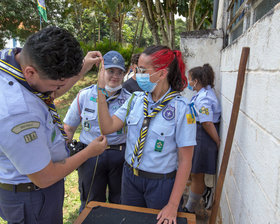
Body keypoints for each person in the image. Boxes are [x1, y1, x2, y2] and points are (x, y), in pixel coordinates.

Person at [0, 26, 107, 224]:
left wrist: (82, 67)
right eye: (56, 85)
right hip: (33, 196)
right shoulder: (17, 114)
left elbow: (46, 92)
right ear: (31, 72)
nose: (57, 92)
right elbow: (45, 177)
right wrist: (88, 152)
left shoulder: (14, 61)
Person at [97, 45, 197, 224]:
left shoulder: (182, 109)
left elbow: (185, 160)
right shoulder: (135, 100)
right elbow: (107, 127)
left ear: (161, 73)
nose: (137, 75)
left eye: (143, 70)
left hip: (161, 185)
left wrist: (173, 204)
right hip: (130, 178)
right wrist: (100, 91)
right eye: (136, 69)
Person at [63, 50, 131, 211]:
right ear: (101, 70)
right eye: (110, 71)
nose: (115, 76)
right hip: (90, 156)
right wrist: (60, 156)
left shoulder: (130, 99)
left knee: (120, 202)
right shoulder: (84, 96)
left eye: (119, 72)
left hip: (120, 156)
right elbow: (69, 128)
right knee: (91, 202)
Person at [183, 64, 221, 214]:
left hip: (203, 137)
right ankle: (203, 193)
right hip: (198, 134)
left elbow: (206, 122)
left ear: (197, 81)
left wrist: (217, 141)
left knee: (197, 174)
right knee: (195, 172)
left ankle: (190, 209)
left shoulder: (204, 98)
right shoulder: (201, 94)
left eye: (190, 79)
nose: (189, 82)